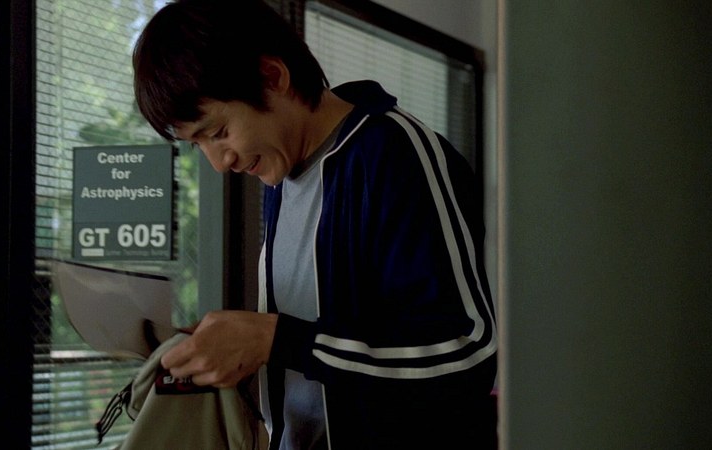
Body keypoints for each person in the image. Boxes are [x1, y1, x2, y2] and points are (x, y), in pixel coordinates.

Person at [132, 0, 498, 448]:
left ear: (273, 77)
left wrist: (274, 340)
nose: (219, 163)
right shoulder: (282, 177)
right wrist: (231, 346)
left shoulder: (398, 155)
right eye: (197, 144)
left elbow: (467, 353)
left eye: (219, 132)